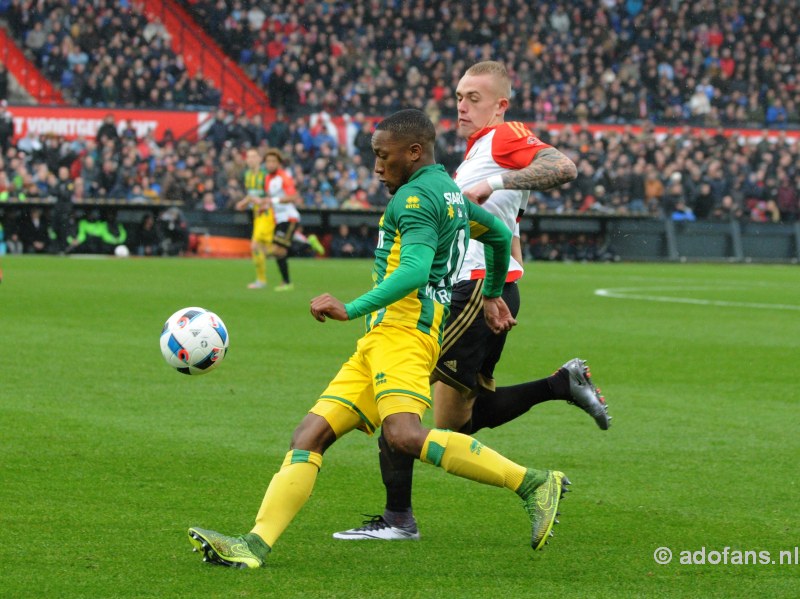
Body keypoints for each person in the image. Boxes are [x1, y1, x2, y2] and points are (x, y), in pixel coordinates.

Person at [187, 109, 569, 569]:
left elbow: (410, 272)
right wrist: (491, 292)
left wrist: (349, 308)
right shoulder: (447, 191)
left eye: (382, 156)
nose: (376, 167)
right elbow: (498, 235)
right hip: (381, 341)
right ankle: (253, 545)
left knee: (404, 434)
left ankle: (532, 482)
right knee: (309, 435)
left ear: (413, 152)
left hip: (404, 335)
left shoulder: (413, 199)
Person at [333, 61, 608, 542]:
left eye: (474, 97)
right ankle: (561, 384)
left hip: (470, 291)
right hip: (480, 290)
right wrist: (504, 282)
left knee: (397, 398)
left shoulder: (504, 138)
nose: (462, 104)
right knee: (454, 422)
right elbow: (504, 230)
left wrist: (494, 189)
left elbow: (563, 167)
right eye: (459, 95)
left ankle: (399, 519)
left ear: (501, 104)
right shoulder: (475, 152)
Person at [261, 148, 301, 291]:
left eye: (273, 161)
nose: (270, 164)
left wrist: (273, 201)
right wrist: (265, 205)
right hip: (278, 218)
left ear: (278, 163)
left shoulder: (284, 177)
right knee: (280, 251)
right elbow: (270, 199)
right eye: (268, 161)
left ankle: (287, 282)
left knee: (278, 250)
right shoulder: (267, 179)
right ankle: (286, 282)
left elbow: (293, 197)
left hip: (289, 217)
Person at [234, 148, 274, 289]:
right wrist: (243, 203)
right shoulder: (247, 175)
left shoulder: (265, 176)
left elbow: (272, 196)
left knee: (256, 246)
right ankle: (261, 280)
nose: (250, 159)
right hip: (257, 215)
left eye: (253, 156)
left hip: (267, 213)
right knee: (265, 248)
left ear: (259, 159)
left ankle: (261, 280)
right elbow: (251, 196)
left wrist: (261, 201)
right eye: (248, 157)